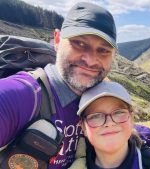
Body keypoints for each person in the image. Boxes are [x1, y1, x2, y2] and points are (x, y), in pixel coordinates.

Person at [0, 2, 118, 168]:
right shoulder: (22, 95)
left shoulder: (99, 99)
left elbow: (129, 127)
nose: (90, 60)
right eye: (79, 43)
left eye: (103, 50)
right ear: (57, 39)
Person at [69, 81, 150, 169]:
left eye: (118, 112)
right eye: (95, 116)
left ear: (131, 118)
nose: (109, 123)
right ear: (83, 127)